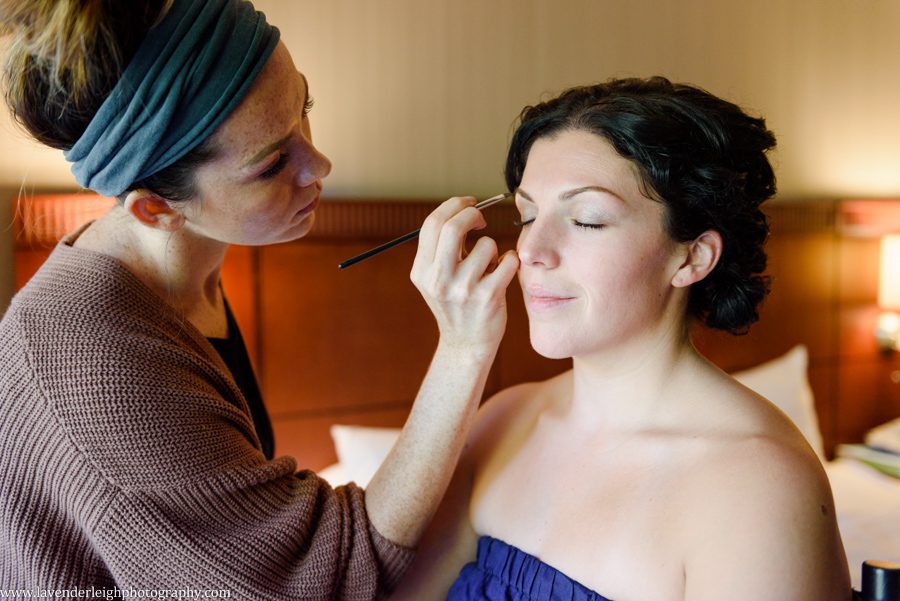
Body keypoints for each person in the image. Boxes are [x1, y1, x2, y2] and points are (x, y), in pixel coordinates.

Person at [0, 0, 518, 597]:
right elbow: (327, 578)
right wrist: (463, 347)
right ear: (157, 208)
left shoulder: (178, 284)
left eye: (305, 109)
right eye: (273, 164)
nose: (319, 164)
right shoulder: (99, 365)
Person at [391, 77, 851, 601]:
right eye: (528, 216)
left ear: (692, 256)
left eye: (587, 220)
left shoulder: (759, 487)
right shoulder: (503, 421)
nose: (532, 251)